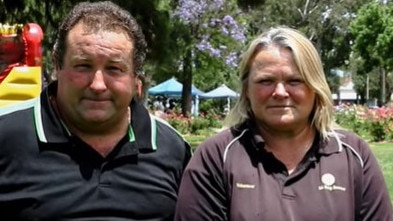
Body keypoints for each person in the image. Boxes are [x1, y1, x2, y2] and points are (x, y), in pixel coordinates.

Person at [174, 27, 393, 221]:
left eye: (294, 81)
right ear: (246, 90)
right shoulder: (216, 157)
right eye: (265, 81)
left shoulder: (353, 155)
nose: (280, 92)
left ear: (315, 88)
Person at [0, 1, 191, 220]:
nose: (97, 85)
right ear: (57, 66)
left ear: (135, 76)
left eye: (114, 69)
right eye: (83, 66)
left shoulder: (172, 148)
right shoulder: (6, 137)